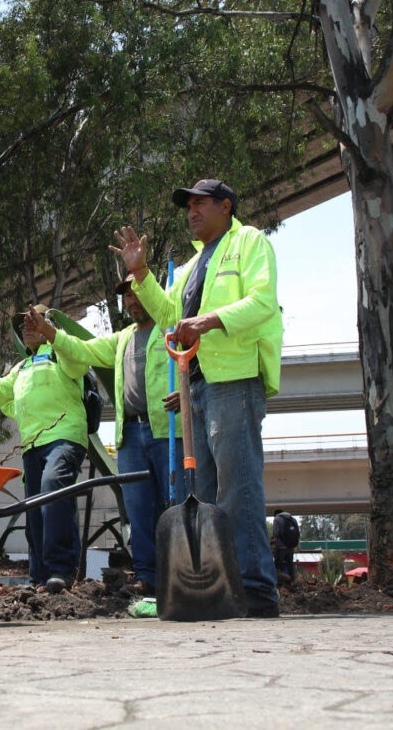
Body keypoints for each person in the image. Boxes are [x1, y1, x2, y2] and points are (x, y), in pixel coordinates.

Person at [111, 178, 284, 617]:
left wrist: (207, 321)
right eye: (187, 205)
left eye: (200, 203)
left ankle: (256, 588)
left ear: (226, 205)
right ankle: (215, 588)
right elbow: (169, 315)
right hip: (198, 384)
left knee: (237, 486)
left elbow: (263, 302)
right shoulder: (190, 267)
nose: (191, 211)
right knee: (204, 491)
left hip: (235, 378)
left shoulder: (249, 242)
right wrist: (141, 273)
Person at [26, 279, 187, 596]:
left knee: (176, 504)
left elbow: (199, 362)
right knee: (139, 509)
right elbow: (83, 350)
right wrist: (49, 333)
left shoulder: (173, 328)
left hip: (168, 430)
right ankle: (149, 579)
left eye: (136, 292)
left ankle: (182, 576)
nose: (131, 300)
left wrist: (188, 389)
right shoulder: (123, 339)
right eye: (126, 296)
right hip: (130, 433)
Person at [0, 305, 89, 593]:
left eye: (33, 322)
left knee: (53, 487)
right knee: (36, 507)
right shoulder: (21, 368)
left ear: (46, 325)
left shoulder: (61, 352)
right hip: (32, 444)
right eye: (22, 326)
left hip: (64, 436)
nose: (26, 328)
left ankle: (62, 570)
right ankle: (40, 577)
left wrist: (53, 336)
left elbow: (80, 364)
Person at [271, 509, 300, 585]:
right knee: (290, 565)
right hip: (290, 547)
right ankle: (292, 582)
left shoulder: (277, 519)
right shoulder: (293, 519)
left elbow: (276, 533)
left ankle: (279, 584)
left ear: (276, 514)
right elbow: (298, 533)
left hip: (281, 547)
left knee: (278, 566)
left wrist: (274, 542)